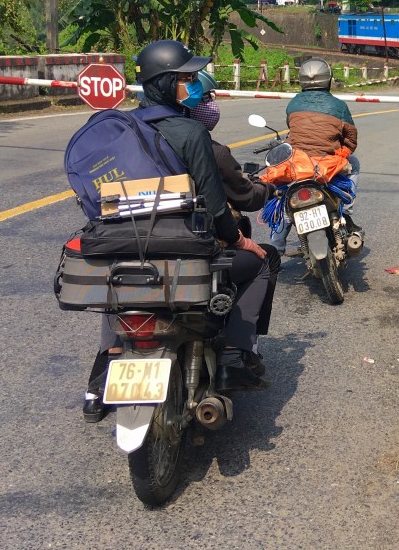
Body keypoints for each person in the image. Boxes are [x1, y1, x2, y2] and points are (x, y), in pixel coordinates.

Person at [83, 41, 270, 423]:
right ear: (167, 83)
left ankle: (102, 373)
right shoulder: (190, 132)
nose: (193, 84)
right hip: (185, 250)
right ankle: (235, 355)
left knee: (117, 281)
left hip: (126, 245)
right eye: (187, 78)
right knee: (263, 262)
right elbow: (216, 207)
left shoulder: (120, 129)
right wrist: (240, 240)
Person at [189, 71, 280, 363]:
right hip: (195, 254)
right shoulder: (210, 151)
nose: (211, 104)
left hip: (135, 254)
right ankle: (236, 352)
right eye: (206, 98)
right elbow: (243, 198)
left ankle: (107, 359)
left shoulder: (137, 146)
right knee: (265, 259)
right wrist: (268, 189)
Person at [270, 57, 361, 253]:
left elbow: (292, 129)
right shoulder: (339, 106)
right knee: (354, 163)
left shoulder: (293, 104)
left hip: (297, 165)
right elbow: (351, 140)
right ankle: (347, 209)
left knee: (282, 202)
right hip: (326, 166)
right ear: (328, 79)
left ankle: (275, 249)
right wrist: (342, 153)